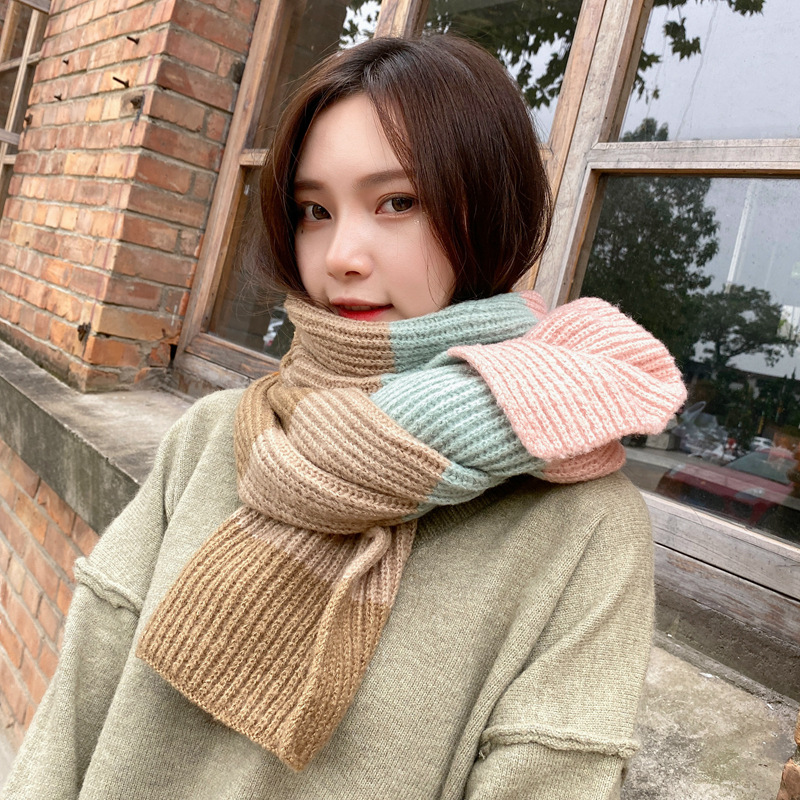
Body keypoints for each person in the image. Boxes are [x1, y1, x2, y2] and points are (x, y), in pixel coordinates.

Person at [2, 35, 686, 799]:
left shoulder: (580, 526)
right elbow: (75, 715)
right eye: (315, 211)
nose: (340, 256)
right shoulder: (214, 436)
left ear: (491, 207)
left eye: (397, 202)